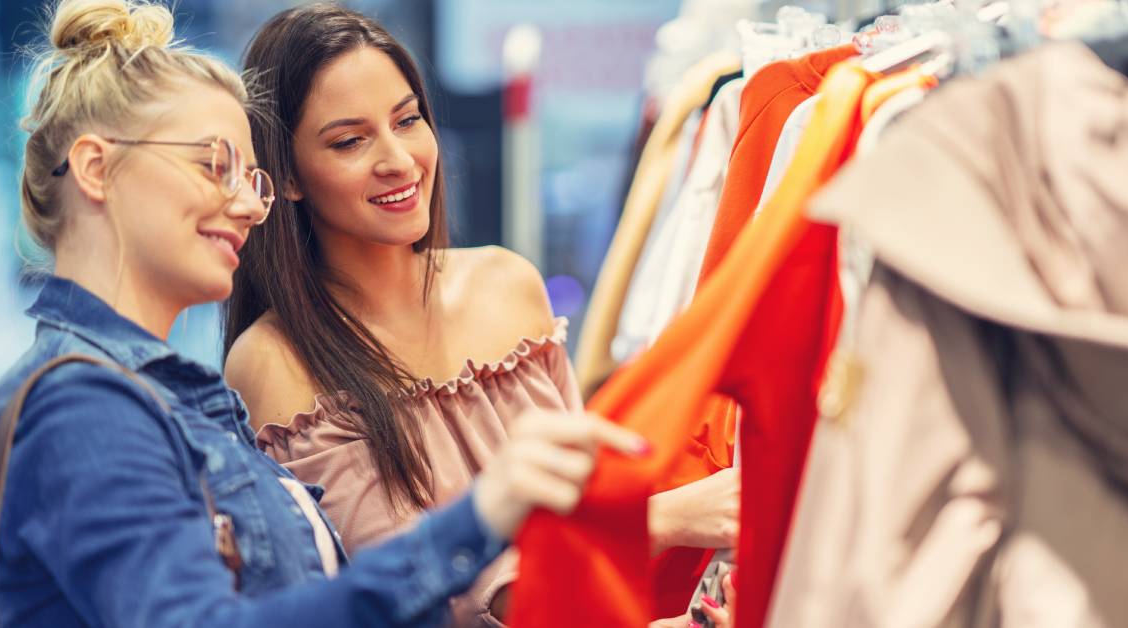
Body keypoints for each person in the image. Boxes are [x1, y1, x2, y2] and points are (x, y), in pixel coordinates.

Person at [0, 1, 645, 626]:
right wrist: (480, 519)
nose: (248, 205)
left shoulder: (175, 400)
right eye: (214, 165)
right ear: (94, 168)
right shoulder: (84, 406)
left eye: (249, 177)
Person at [222, 4, 740, 625]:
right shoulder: (273, 360)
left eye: (407, 120)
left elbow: (582, 527)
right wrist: (667, 519)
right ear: (288, 175)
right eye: (350, 141)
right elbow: (421, 597)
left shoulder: (508, 282)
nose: (399, 158)